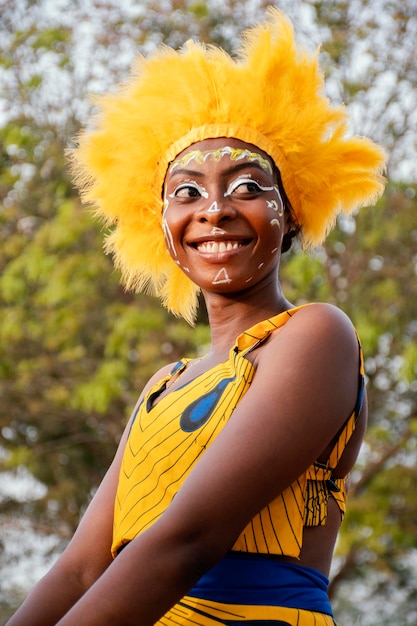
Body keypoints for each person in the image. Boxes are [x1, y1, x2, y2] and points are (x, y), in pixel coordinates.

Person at [7, 8, 386, 626]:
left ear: (289, 215)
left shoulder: (315, 336)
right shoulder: (162, 387)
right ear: (161, 228)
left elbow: (191, 539)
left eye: (245, 187)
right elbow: (81, 568)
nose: (214, 209)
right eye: (186, 192)